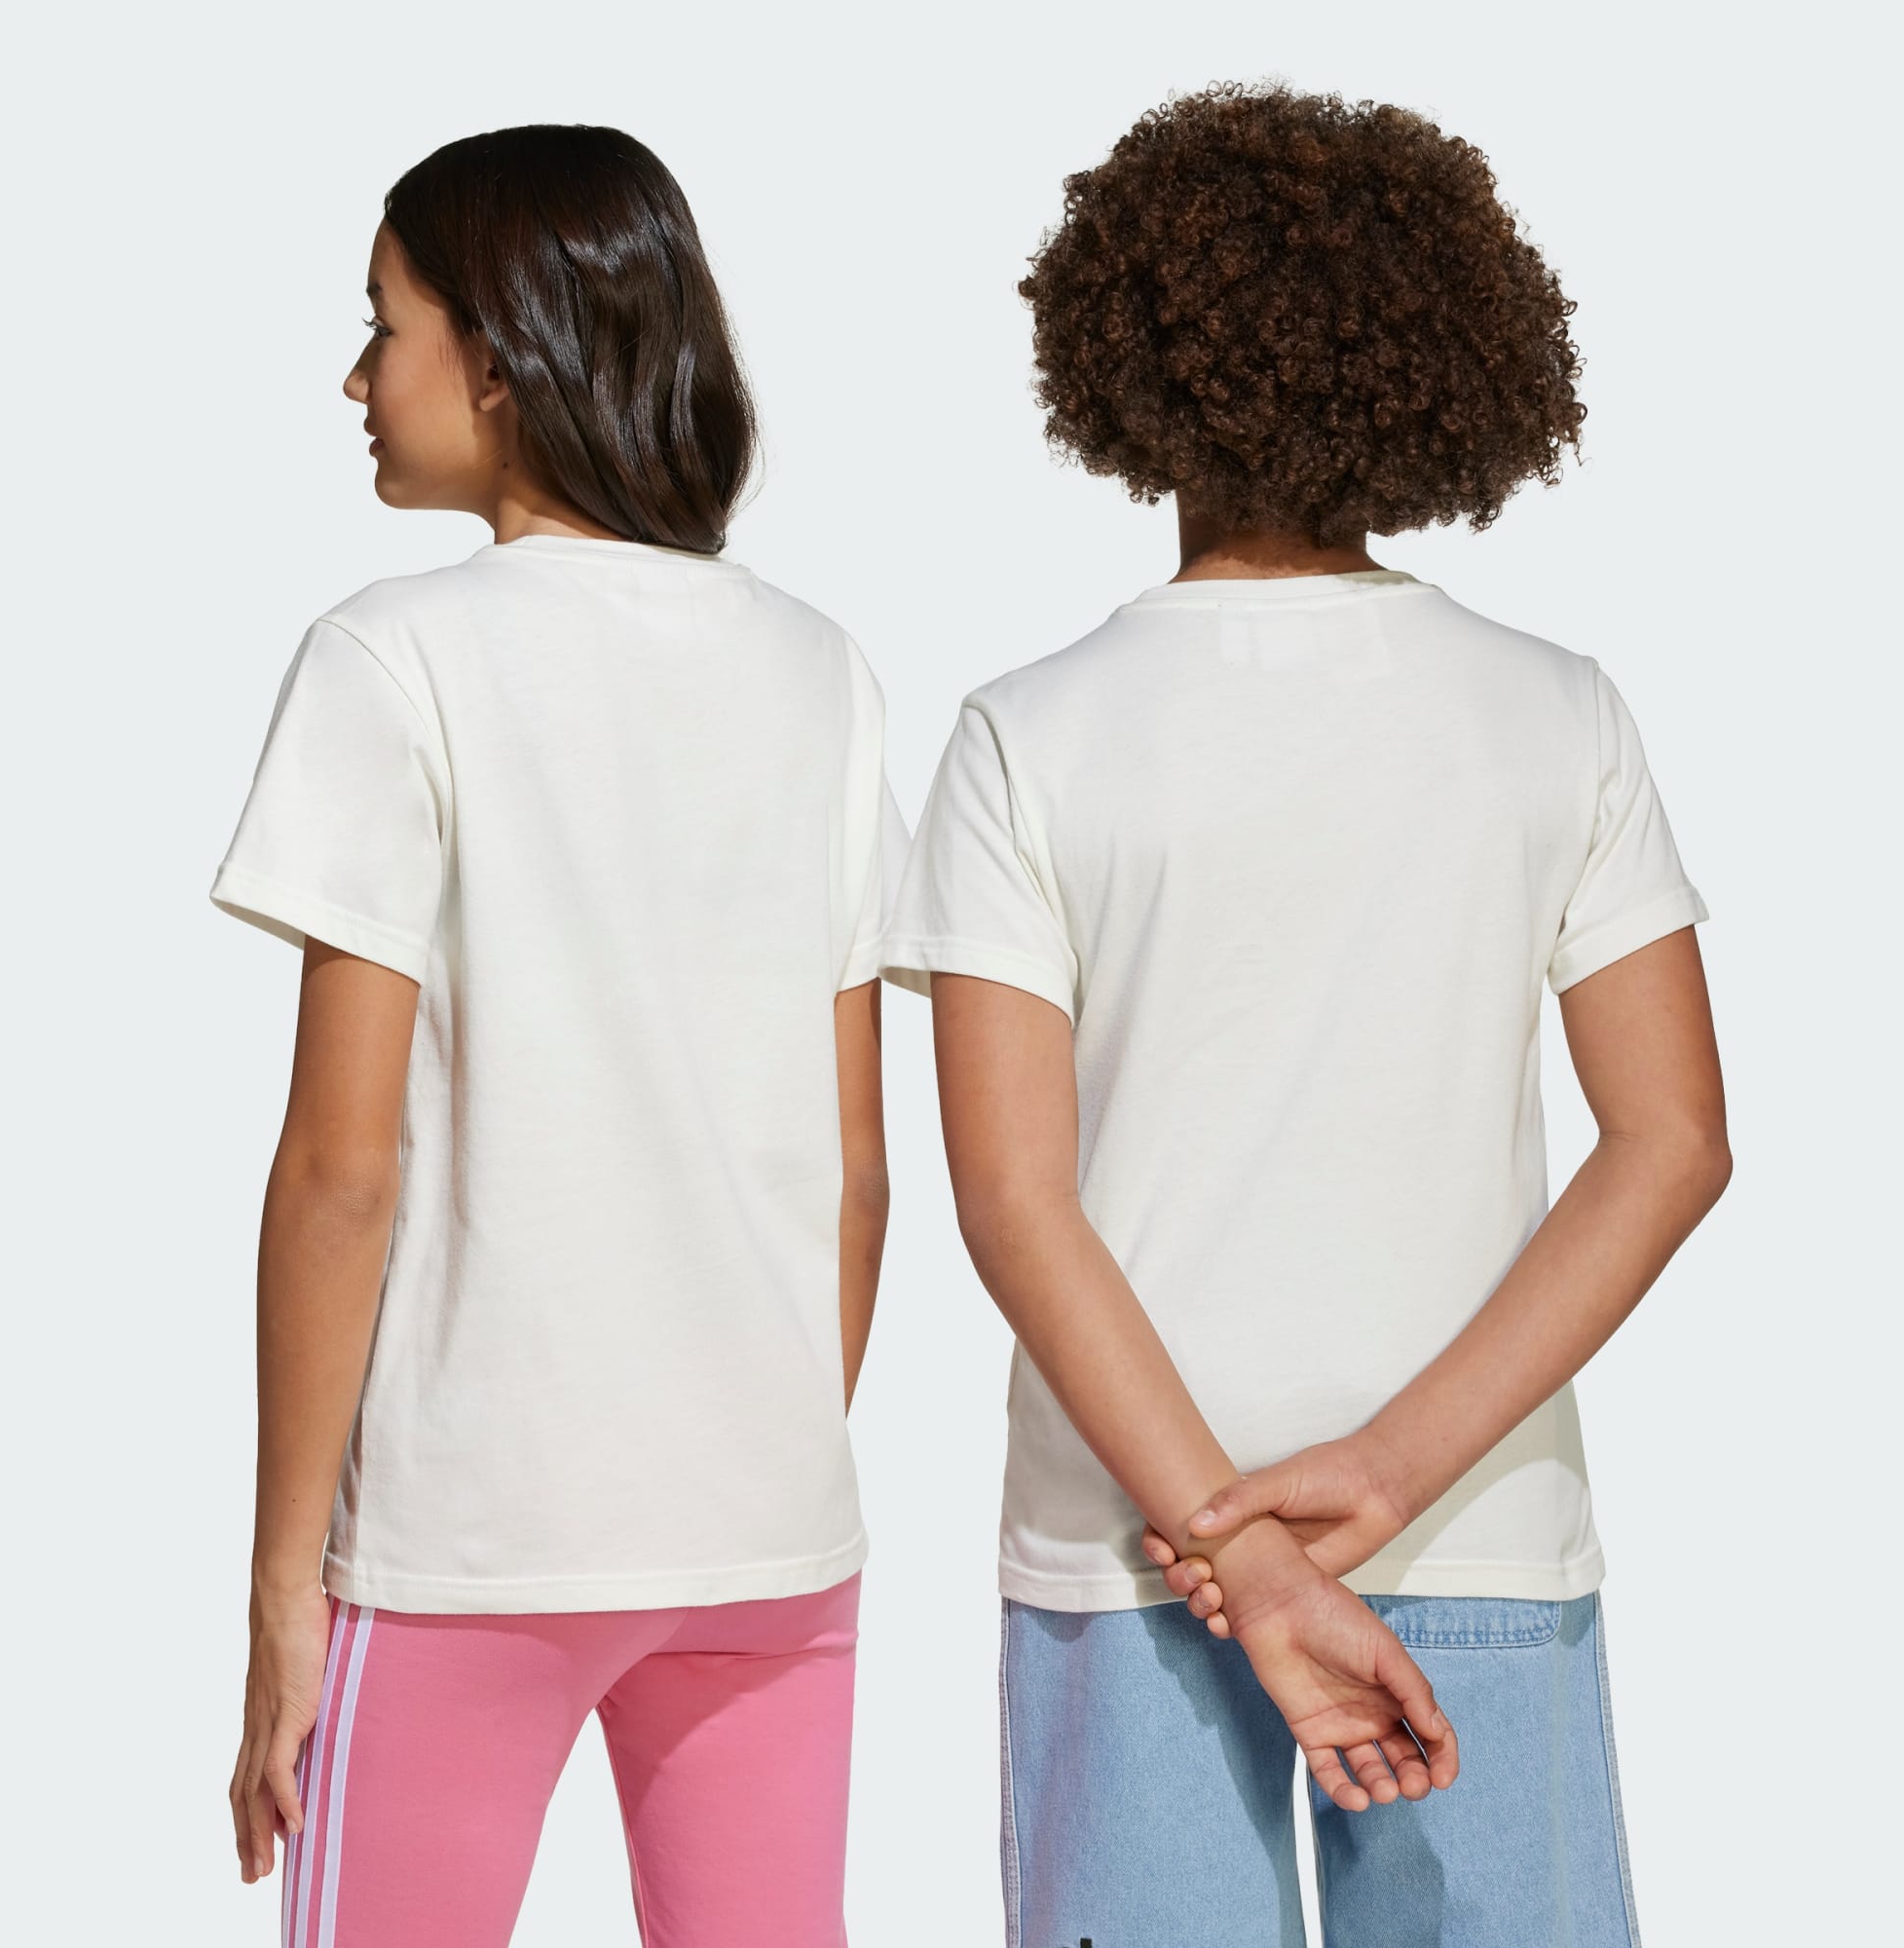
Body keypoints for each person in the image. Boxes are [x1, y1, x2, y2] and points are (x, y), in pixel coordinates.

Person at [877, 82, 1728, 1947]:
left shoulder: (1028, 736)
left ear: (1127, 357)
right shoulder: (1557, 713)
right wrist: (1390, 1471)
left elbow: (1014, 1201)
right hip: (1475, 1522)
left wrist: (1236, 1539)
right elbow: (1670, 1143)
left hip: (1135, 1550)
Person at [211, 124, 908, 1948]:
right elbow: (856, 1172)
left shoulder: (393, 659)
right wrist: (729, 1454)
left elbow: (340, 1171)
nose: (356, 378)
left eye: (383, 325)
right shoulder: (821, 673)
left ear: (501, 357)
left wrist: (284, 1587)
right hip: (767, 1541)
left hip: (470, 1544)